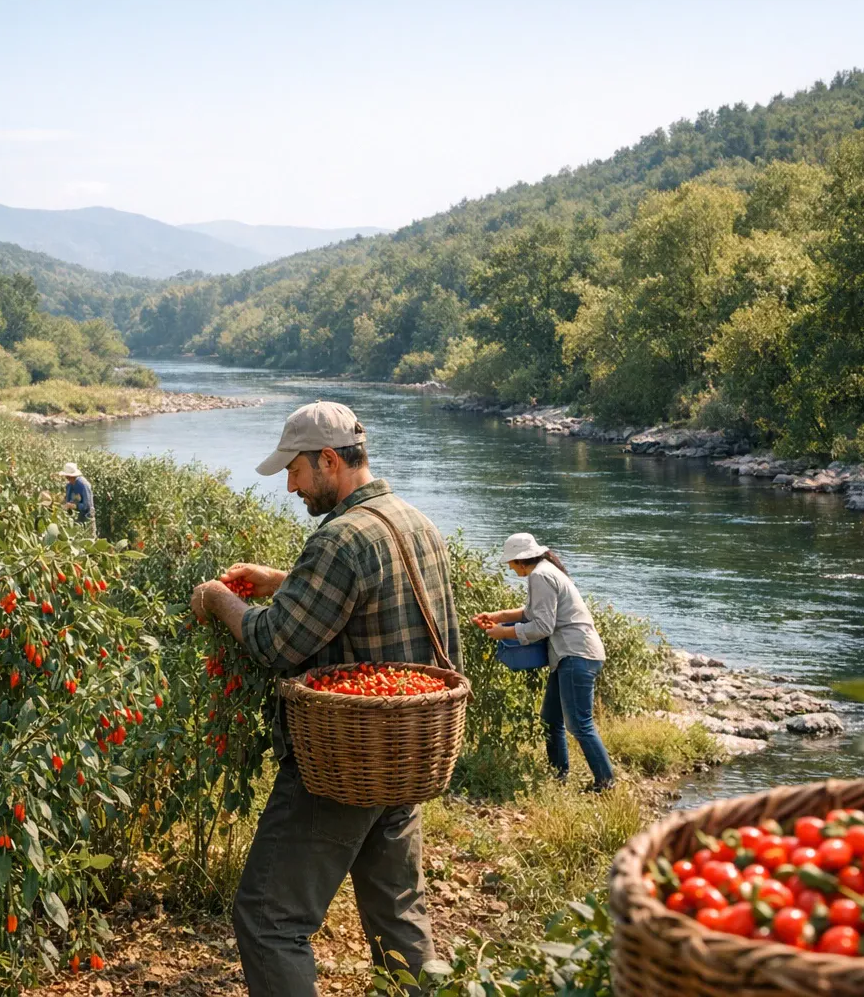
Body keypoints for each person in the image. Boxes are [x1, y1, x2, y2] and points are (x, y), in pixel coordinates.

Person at [190, 400, 461, 996]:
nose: (290, 485)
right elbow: (370, 590)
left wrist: (218, 598)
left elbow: (274, 641)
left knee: (269, 919)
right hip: (405, 756)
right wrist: (283, 581)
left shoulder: (338, 539)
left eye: (295, 470)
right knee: (397, 915)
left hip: (343, 765)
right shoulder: (413, 520)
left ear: (330, 460)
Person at [473, 533, 614, 791]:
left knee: (580, 725)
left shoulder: (540, 575)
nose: (509, 567)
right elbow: (530, 613)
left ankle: (606, 784)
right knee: (551, 719)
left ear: (520, 560)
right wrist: (498, 616)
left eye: (511, 563)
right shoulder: (545, 571)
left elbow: (542, 626)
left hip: (576, 655)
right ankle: (558, 776)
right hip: (571, 655)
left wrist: (503, 632)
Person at [61, 461, 95, 530]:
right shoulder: (69, 485)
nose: (67, 478)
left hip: (87, 519)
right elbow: (68, 500)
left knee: (88, 539)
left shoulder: (84, 485)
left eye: (68, 477)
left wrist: (74, 506)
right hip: (74, 519)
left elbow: (87, 505)